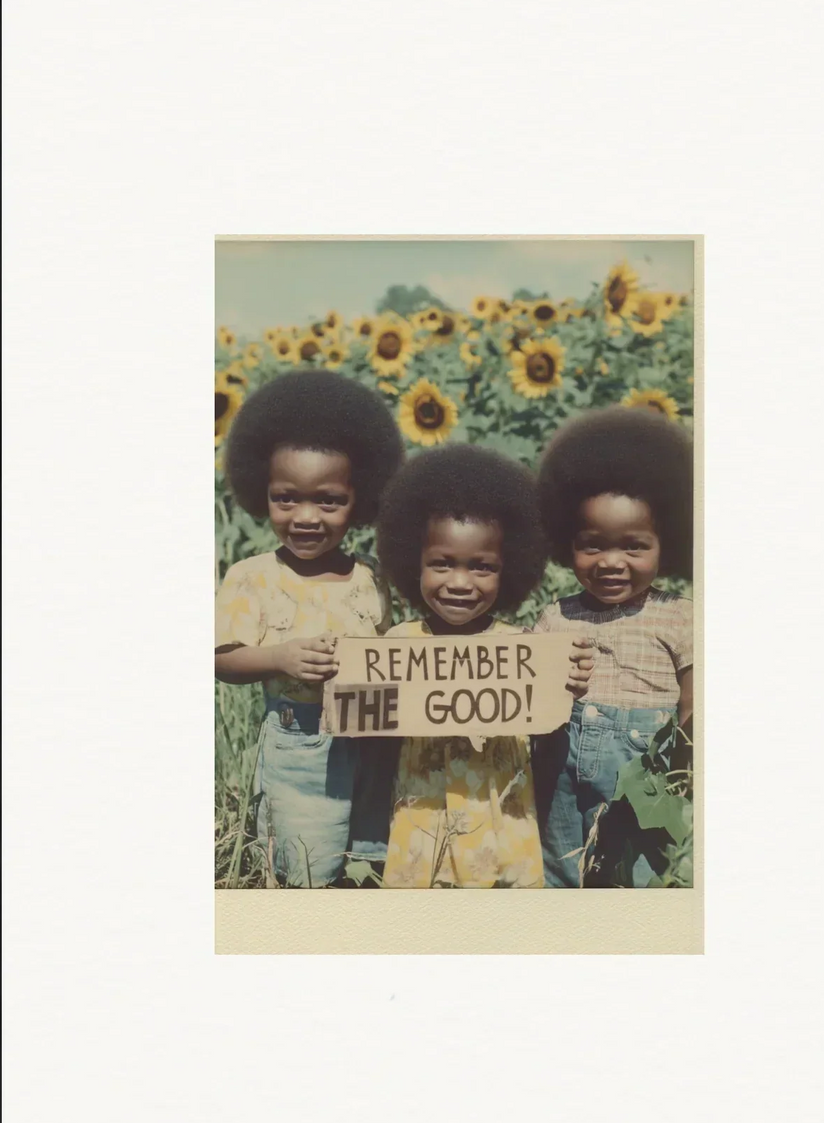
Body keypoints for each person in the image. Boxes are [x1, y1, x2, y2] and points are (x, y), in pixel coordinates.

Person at [373, 446, 593, 889]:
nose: (459, 583)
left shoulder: (524, 647)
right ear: (413, 560)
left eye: (481, 568)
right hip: (422, 823)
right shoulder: (399, 644)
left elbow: (546, 729)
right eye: (441, 564)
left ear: (509, 569)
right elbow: (371, 727)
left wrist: (567, 681)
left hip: (501, 825)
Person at [214, 370, 403, 887]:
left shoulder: (370, 575)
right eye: (285, 499)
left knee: (371, 857)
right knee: (306, 865)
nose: (305, 517)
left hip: (372, 736)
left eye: (328, 501)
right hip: (301, 743)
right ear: (262, 492)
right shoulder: (252, 577)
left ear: (359, 500)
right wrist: (280, 657)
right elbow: (221, 659)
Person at [532, 407, 694, 887]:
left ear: (669, 545)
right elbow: (525, 693)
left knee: (638, 875)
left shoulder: (680, 614)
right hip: (560, 773)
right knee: (559, 866)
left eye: (634, 547)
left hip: (646, 774)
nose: (611, 562)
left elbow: (694, 696)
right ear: (567, 543)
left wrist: (686, 764)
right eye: (593, 545)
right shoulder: (555, 617)